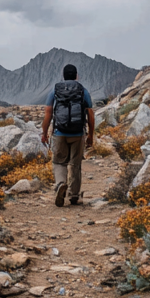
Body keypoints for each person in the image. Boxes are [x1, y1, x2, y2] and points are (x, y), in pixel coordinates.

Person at [41, 64, 95, 207]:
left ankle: (60, 185)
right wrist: (90, 135)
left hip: (60, 133)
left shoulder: (55, 90)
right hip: (78, 133)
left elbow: (48, 113)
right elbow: (90, 113)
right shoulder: (83, 91)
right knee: (75, 164)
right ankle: (74, 196)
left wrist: (44, 133)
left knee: (59, 162)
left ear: (63, 76)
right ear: (76, 76)